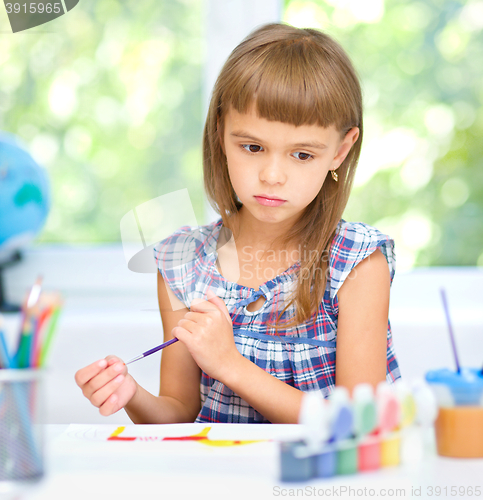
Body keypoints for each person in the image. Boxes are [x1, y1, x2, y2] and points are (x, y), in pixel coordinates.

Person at [75, 22, 400, 424]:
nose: (272, 175)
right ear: (219, 132)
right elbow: (177, 413)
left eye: (302, 155)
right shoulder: (182, 263)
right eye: (252, 147)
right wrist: (131, 395)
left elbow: (358, 422)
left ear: (341, 150)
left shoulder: (357, 263)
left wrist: (229, 364)